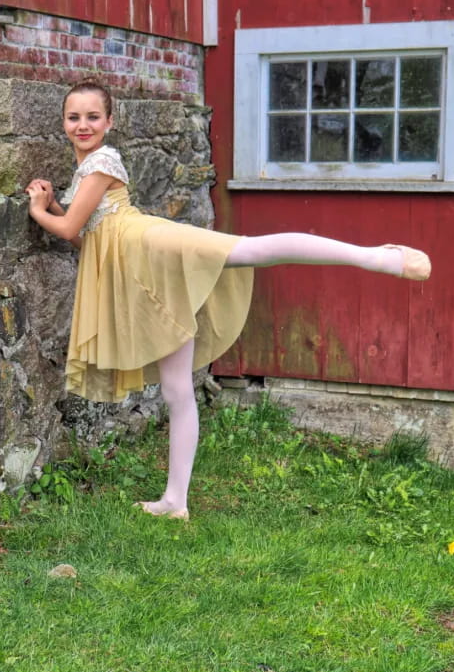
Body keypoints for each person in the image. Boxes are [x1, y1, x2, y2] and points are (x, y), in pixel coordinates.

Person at [26, 80, 430, 521]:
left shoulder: (101, 160)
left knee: (250, 249)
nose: (82, 125)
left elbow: (68, 233)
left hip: (152, 247)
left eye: (92, 117)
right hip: (142, 267)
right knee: (177, 389)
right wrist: (55, 205)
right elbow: (88, 234)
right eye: (74, 117)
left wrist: (38, 211)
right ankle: (175, 501)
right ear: (63, 122)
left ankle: (373, 257)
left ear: (110, 122)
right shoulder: (85, 168)